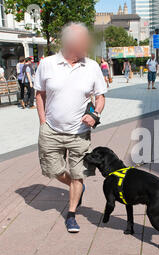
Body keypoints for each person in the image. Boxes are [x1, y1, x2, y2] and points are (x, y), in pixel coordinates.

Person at [34, 22, 107, 233]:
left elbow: (100, 96)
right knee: (52, 170)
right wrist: (42, 121)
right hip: (51, 130)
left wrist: (95, 115)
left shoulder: (92, 66)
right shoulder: (47, 64)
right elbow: (40, 94)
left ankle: (72, 213)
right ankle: (76, 188)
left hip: (79, 133)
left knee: (78, 174)